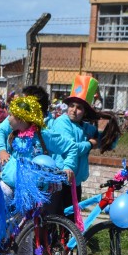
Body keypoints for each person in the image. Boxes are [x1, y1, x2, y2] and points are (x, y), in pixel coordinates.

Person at [0, 95, 77, 255]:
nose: (8, 118)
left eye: (12, 115)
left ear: (23, 118)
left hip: (32, 190)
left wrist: (67, 166)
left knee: (26, 236)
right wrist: (2, 152)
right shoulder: (12, 129)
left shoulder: (44, 135)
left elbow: (71, 148)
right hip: (10, 182)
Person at [47, 76, 121, 222]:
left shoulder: (84, 126)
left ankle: (66, 243)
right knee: (55, 218)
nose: (74, 110)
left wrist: (112, 130)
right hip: (60, 177)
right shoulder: (62, 122)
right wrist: (90, 144)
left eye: (79, 107)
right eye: (71, 106)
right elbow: (71, 147)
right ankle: (51, 243)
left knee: (71, 219)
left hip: (75, 181)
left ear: (85, 111)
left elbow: (106, 143)